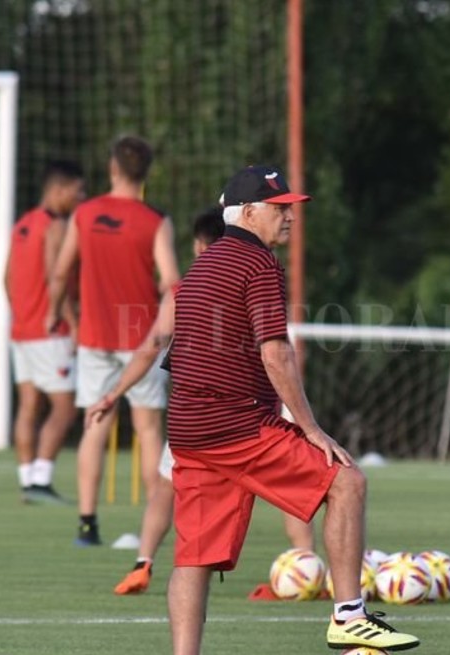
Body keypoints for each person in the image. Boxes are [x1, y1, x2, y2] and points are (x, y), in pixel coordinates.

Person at [163, 166, 420, 654]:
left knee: (193, 558)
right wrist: (311, 429)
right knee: (347, 480)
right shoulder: (257, 264)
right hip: (235, 424)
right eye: (279, 208)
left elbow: (179, 355)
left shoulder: (203, 264)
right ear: (247, 212)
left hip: (190, 430)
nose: (289, 217)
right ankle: (349, 617)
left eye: (291, 208)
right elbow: (275, 352)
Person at [85, 209, 316, 596]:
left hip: (203, 418)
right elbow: (280, 349)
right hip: (262, 408)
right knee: (297, 488)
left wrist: (114, 393)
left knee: (165, 487)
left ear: (198, 245)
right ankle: (308, 563)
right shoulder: (258, 269)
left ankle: (144, 562)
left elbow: (150, 349)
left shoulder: (186, 287)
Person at [48, 136, 180, 545]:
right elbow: (172, 282)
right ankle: (149, 533)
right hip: (141, 337)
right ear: (146, 173)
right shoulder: (155, 221)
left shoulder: (85, 214)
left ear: (113, 169)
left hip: (95, 336)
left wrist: (55, 312)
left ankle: (87, 525)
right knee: (148, 430)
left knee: (95, 424)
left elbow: (59, 272)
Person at [6, 160, 85, 504]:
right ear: (59, 190)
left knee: (28, 405)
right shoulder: (55, 226)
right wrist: (73, 322)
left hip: (21, 329)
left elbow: (6, 279)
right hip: (51, 331)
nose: (81, 197)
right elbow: (58, 277)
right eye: (77, 191)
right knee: (65, 407)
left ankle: (28, 481)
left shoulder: (22, 224)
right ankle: (40, 481)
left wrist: (22, 312)